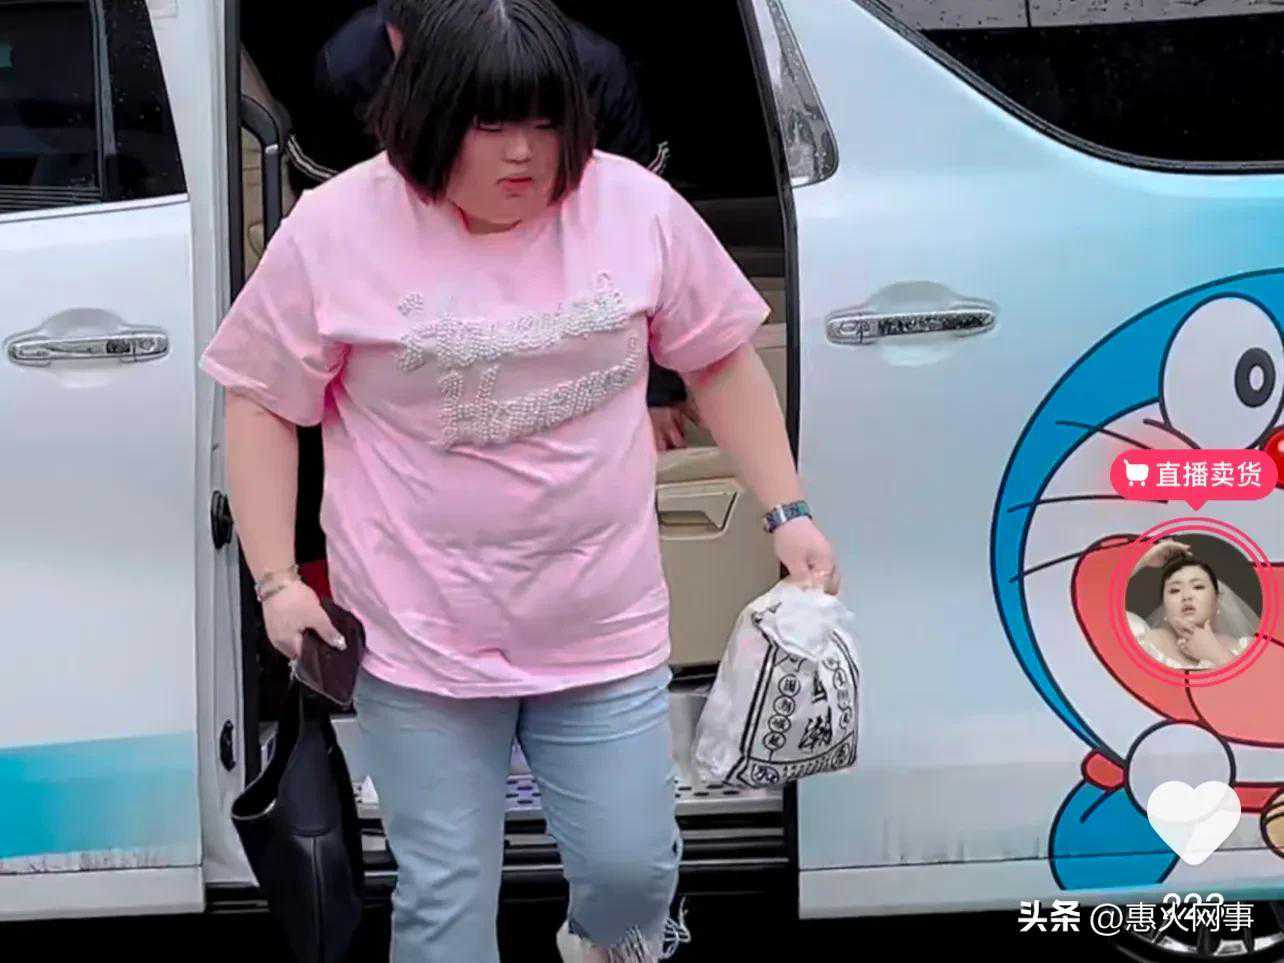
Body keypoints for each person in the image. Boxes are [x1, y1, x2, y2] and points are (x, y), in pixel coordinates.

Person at [199, 1, 841, 959]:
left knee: (633, 878)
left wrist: (788, 509)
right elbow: (259, 398)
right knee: (445, 898)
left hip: (601, 626)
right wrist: (276, 581)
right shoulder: (336, 229)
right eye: (491, 125)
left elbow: (717, 357)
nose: (524, 154)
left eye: (546, 123)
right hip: (419, 639)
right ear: (426, 114)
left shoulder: (632, 206)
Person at [294, 0, 697, 452]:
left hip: (573, 294)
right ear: (391, 31)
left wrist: (658, 387)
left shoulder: (591, 70)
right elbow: (322, 246)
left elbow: (646, 243)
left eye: (541, 123)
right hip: (403, 312)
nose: (519, 148)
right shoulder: (345, 71)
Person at [1127, 539, 1257, 670]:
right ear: (1164, 607)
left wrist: (1217, 655)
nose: (1186, 596)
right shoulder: (1142, 642)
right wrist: (1143, 560)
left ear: (1217, 600)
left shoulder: (1247, 649)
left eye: (1198, 587)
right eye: (1175, 590)